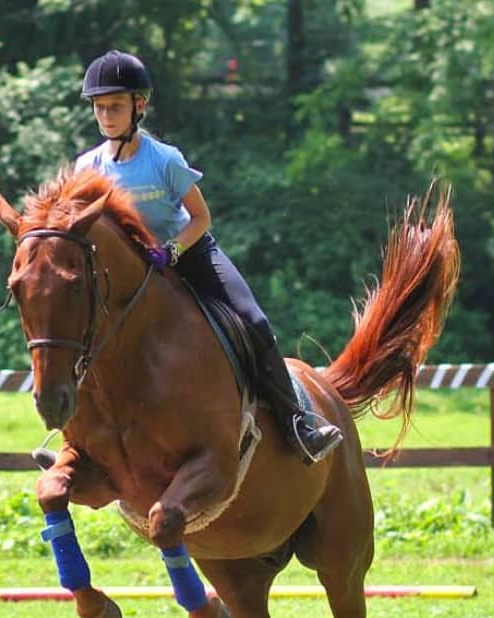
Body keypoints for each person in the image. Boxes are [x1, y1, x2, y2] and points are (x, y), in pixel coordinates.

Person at [74, 50, 341, 465]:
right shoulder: (87, 167)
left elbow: (201, 217)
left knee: (253, 320)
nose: (106, 115)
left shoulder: (164, 160)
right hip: (129, 272)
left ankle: (298, 422)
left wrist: (172, 252)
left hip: (188, 253)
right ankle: (72, 435)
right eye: (99, 107)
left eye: (115, 106)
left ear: (138, 107)